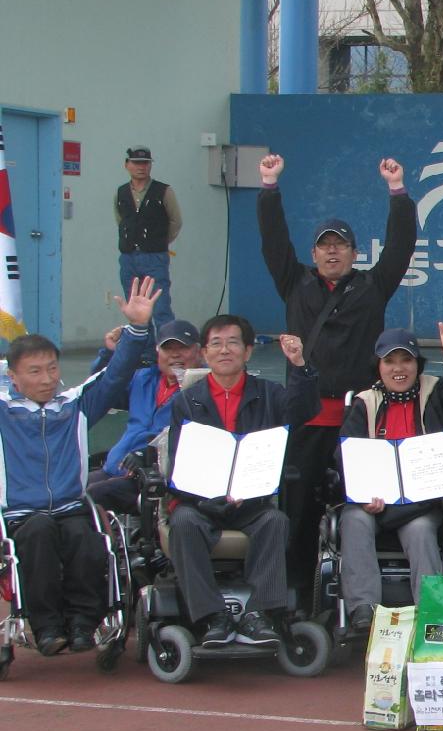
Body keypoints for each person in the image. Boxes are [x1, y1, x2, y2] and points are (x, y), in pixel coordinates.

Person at [257, 152, 418, 607]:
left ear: (353, 253)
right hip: (307, 419)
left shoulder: (373, 287)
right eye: (324, 245)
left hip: (358, 423)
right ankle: (292, 599)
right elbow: (273, 243)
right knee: (298, 512)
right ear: (313, 254)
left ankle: (364, 602)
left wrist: (397, 192)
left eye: (340, 245)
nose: (332, 251)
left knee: (364, 510)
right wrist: (269, 187)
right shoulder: (295, 284)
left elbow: (401, 245)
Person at [0, 279, 159, 655]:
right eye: (34, 372)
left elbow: (116, 374)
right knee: (38, 536)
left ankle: (84, 624)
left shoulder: (75, 406)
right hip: (23, 514)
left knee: (87, 541)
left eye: (51, 369)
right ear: (14, 377)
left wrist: (137, 329)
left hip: (72, 506)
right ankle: (48, 627)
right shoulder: (5, 413)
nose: (46, 379)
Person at [166, 315, 320, 648]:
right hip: (202, 503)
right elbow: (179, 463)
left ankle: (259, 615)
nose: (225, 351)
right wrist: (205, 498)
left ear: (248, 351)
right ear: (205, 353)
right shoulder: (186, 401)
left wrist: (299, 366)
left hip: (251, 502)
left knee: (275, 521)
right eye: (216, 344)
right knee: (183, 522)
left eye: (233, 343)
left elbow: (304, 410)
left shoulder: (269, 394)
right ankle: (211, 617)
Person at [338, 323, 443, 632]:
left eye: (406, 360)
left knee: (419, 531)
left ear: (418, 363)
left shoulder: (435, 392)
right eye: (390, 361)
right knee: (353, 520)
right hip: (374, 502)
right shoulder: (365, 402)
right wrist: (365, 495)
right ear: (379, 366)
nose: (398, 368)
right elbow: (346, 456)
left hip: (421, 502)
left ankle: (431, 612)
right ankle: (362, 608)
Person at [87, 319, 204, 513]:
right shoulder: (143, 378)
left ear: (199, 352)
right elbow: (103, 390)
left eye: (182, 348)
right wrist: (109, 353)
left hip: (154, 476)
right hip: (114, 466)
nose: (175, 354)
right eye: (168, 349)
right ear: (158, 352)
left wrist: (146, 453)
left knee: (94, 494)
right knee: (69, 490)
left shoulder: (203, 389)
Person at [114, 147, 180, 329]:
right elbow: (120, 219)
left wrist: (159, 242)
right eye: (136, 162)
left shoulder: (164, 191)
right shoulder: (121, 192)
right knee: (135, 310)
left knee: (161, 308)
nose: (141, 167)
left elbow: (176, 221)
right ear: (127, 165)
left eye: (145, 163)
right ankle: (144, 354)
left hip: (155, 257)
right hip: (128, 257)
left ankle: (167, 349)